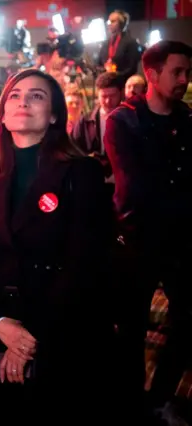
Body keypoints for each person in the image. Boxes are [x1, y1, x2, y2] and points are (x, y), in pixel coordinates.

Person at [0, 69, 116, 425]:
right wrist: (0, 324)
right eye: (15, 95)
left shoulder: (80, 173)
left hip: (61, 329)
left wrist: (27, 339)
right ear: (3, 115)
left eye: (37, 96)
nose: (23, 101)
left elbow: (84, 265)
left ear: (54, 114)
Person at [104, 40, 192, 423]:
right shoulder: (124, 121)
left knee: (188, 318)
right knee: (131, 327)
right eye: (177, 72)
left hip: (180, 238)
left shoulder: (186, 119)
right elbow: (135, 185)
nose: (184, 80)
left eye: (187, 73)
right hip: (138, 236)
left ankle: (158, 396)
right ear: (153, 75)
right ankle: (130, 403)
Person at [71, 72, 123, 188]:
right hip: (92, 182)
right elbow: (73, 150)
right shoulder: (85, 121)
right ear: (98, 95)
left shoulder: (130, 119)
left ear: (121, 93)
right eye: (104, 96)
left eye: (112, 96)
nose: (108, 101)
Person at [97, 10, 142, 84]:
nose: (109, 24)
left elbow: (132, 67)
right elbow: (98, 63)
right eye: (109, 21)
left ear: (122, 23)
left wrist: (118, 75)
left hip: (123, 84)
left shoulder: (131, 42)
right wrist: (104, 72)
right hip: (107, 84)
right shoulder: (105, 44)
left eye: (113, 21)